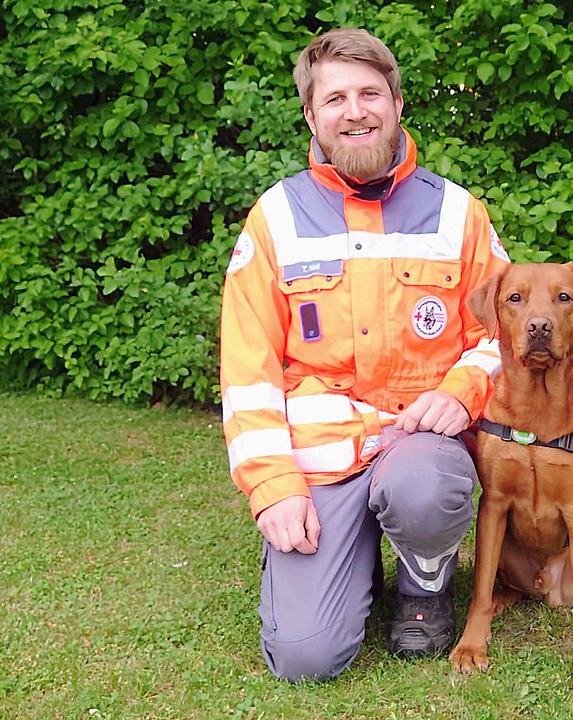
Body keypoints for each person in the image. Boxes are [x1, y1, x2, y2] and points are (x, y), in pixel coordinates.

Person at [219, 27, 510, 683]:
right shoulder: (275, 219)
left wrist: (461, 391)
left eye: (371, 94)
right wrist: (272, 489)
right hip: (321, 458)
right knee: (306, 659)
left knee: (423, 489)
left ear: (398, 104)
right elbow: (247, 374)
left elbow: (502, 336)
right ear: (311, 116)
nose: (356, 111)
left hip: (418, 446)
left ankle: (424, 583)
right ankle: (334, 562)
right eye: (336, 99)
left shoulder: (460, 214)